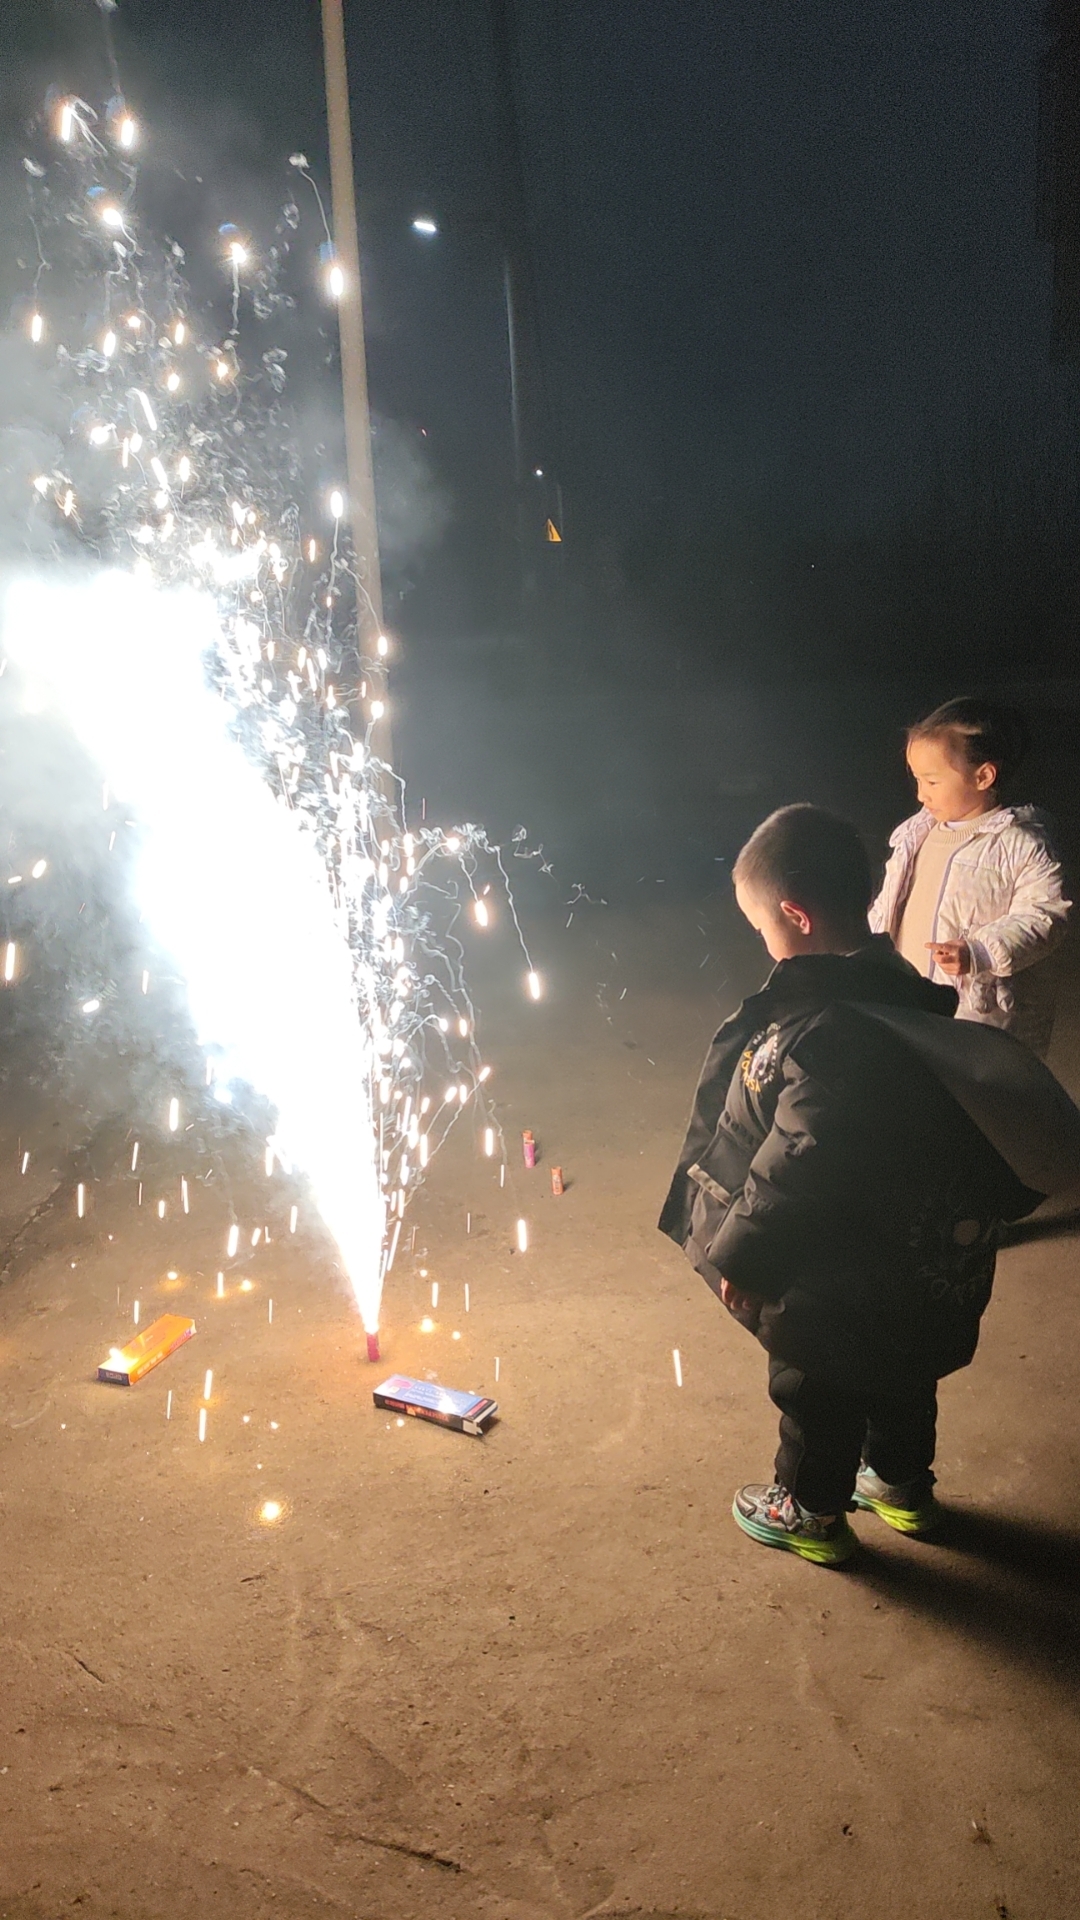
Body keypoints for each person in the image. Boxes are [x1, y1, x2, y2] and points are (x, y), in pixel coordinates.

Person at [659, 805, 1080, 1567]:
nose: (763, 942)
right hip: (918, 1263)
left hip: (837, 1280)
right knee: (905, 1377)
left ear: (794, 914)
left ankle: (811, 1511)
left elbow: (796, 1163)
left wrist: (744, 1256)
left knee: (814, 1393)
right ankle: (899, 1485)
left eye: (761, 927)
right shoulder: (904, 993)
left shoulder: (829, 1035)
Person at [869, 697, 1070, 1058]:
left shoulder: (1021, 844)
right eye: (916, 779)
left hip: (975, 1021)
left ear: (983, 776)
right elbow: (890, 905)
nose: (920, 793)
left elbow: (1046, 916)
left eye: (931, 781)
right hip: (908, 1003)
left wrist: (980, 951)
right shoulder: (915, 835)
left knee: (969, 1105)